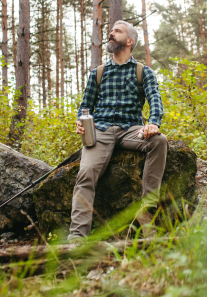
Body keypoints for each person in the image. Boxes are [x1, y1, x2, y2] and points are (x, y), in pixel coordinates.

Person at [70, 20, 166, 240]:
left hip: (132, 129)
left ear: (130, 41)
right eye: (111, 30)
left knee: (159, 141)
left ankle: (147, 211)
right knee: (86, 174)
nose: (111, 34)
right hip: (100, 131)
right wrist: (80, 120)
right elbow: (85, 106)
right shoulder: (98, 73)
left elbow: (155, 102)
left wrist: (153, 122)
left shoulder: (144, 72)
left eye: (117, 31)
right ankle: (77, 237)